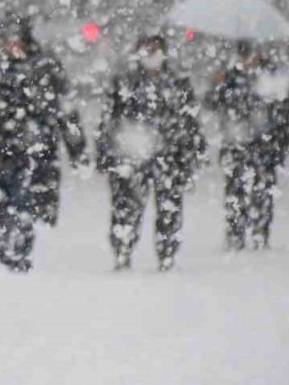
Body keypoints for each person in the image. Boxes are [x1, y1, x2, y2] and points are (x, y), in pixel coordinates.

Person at [0, 13, 87, 271]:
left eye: (16, 40)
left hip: (34, 153)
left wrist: (78, 150)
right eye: (6, 40)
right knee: (0, 204)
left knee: (25, 203)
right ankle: (6, 252)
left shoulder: (44, 67)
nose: (11, 47)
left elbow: (66, 112)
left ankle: (18, 254)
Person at [95, 35, 207, 270]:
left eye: (155, 51)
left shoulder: (177, 82)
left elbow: (190, 120)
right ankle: (123, 250)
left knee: (169, 207)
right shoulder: (125, 81)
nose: (152, 56)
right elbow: (109, 119)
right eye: (147, 51)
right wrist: (105, 152)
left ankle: (167, 254)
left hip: (169, 155)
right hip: (131, 154)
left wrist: (195, 149)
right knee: (126, 207)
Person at [205, 41, 288, 250]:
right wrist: (216, 85)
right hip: (237, 142)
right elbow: (213, 103)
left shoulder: (272, 77)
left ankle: (261, 233)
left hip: (265, 144)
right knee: (235, 190)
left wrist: (279, 138)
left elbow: (283, 110)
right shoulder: (230, 78)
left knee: (264, 190)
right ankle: (236, 234)